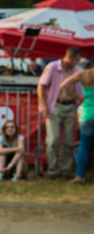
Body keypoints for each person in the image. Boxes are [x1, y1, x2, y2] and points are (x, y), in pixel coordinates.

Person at [38, 47, 83, 178]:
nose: (78, 62)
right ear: (70, 57)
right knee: (53, 139)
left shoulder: (76, 71)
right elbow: (41, 86)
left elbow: (79, 91)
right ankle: (52, 169)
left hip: (71, 107)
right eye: (77, 60)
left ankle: (65, 169)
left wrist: (78, 107)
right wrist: (44, 105)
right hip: (55, 106)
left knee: (69, 140)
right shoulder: (52, 67)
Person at [60, 61, 94, 183]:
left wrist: (76, 96)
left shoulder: (83, 74)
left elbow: (64, 85)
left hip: (86, 113)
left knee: (84, 146)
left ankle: (80, 176)